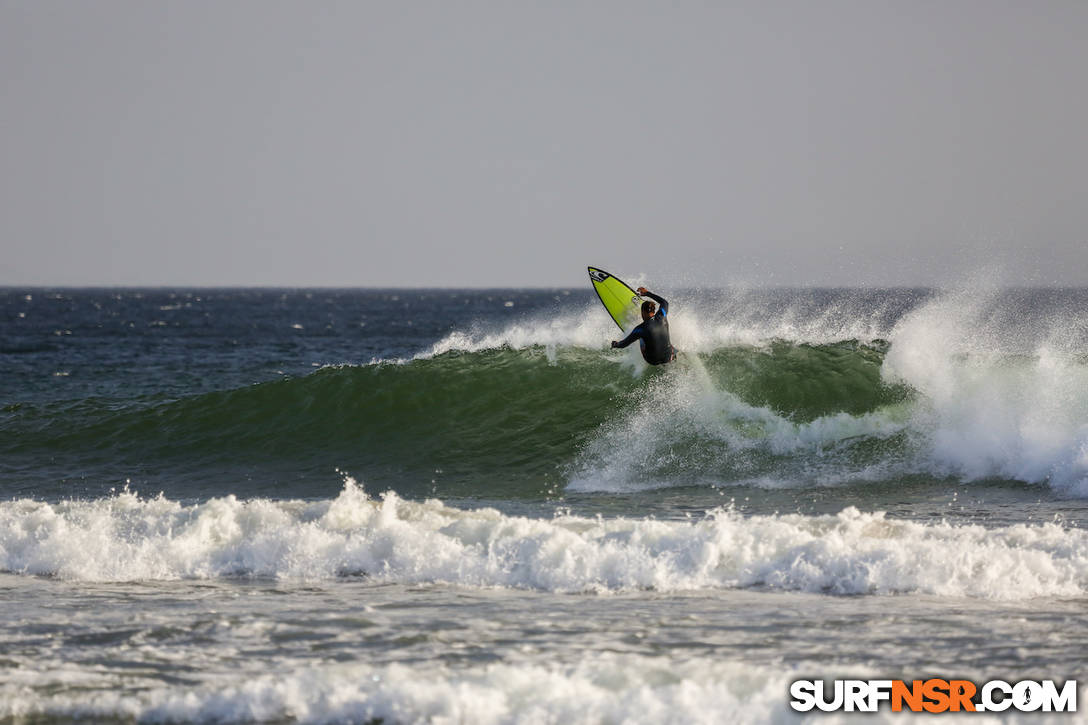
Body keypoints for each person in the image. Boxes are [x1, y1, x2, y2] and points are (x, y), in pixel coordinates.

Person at [611, 286, 677, 365]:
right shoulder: (662, 315)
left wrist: (616, 344)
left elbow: (623, 344)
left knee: (642, 336)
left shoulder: (640, 329)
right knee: (668, 345)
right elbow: (664, 302)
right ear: (654, 310)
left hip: (652, 360)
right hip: (668, 357)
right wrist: (647, 293)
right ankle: (674, 357)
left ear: (643, 312)